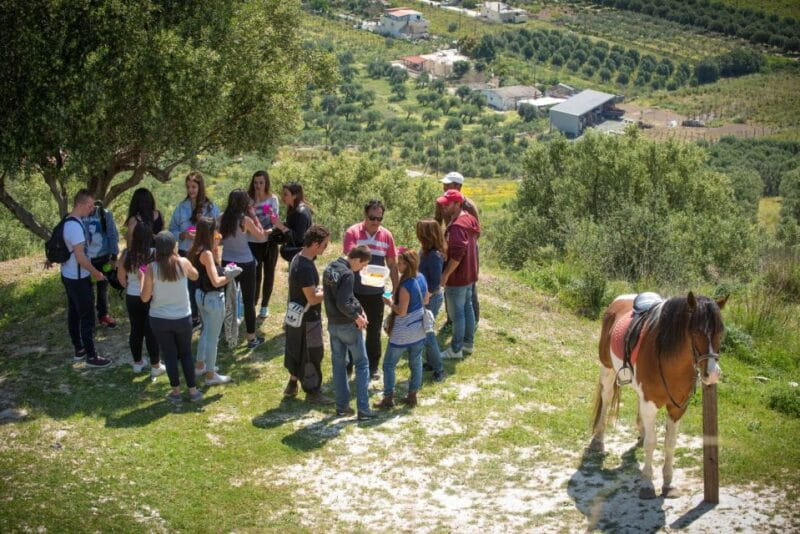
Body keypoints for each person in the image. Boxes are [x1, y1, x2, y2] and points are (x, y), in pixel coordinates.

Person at [141, 231, 202, 403]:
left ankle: (176, 392)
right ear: (174, 246)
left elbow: (144, 298)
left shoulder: (152, 268)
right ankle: (193, 391)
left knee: (169, 355)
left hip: (159, 319)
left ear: (156, 249)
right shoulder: (183, 262)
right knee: (186, 353)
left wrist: (142, 281)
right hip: (182, 317)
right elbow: (195, 275)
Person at [343, 200, 399, 380]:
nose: (375, 222)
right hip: (354, 290)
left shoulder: (386, 236)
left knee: (374, 331)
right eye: (372, 217)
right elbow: (350, 258)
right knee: (352, 330)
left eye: (379, 218)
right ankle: (349, 365)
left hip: (376, 291)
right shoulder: (353, 232)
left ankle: (373, 367)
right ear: (365, 215)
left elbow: (392, 264)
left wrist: (396, 289)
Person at [58, 189, 112, 368]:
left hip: (68, 274)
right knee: (87, 316)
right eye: (90, 206)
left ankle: (79, 349)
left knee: (74, 312)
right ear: (81, 204)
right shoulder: (75, 227)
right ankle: (91, 356)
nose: (92, 209)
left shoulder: (67, 220)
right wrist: (96, 273)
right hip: (79, 278)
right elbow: (81, 258)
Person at [323, 245, 375, 420]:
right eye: (363, 265)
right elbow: (343, 302)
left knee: (339, 366)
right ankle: (364, 410)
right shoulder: (348, 274)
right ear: (357, 259)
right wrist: (357, 317)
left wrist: (360, 309)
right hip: (347, 325)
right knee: (362, 364)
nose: (361, 269)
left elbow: (346, 296)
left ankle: (342, 407)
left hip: (333, 325)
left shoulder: (330, 267)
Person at [283, 224, 333, 405]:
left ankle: (292, 383)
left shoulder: (298, 257)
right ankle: (313, 391)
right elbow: (312, 298)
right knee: (312, 353)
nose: (326, 248)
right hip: (308, 319)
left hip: (295, 316)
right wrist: (329, 290)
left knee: (295, 349)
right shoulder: (304, 267)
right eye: (324, 244)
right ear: (315, 244)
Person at [374, 249, 427, 409]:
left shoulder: (405, 286)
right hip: (419, 329)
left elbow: (402, 311)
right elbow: (425, 299)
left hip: (403, 331)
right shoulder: (421, 277)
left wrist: (389, 302)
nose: (398, 266)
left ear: (409, 264)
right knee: (416, 362)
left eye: (402, 263)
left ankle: (388, 398)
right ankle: (412, 396)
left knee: (389, 364)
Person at [219, 189, 270, 349]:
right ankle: (251, 338)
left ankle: (228, 335)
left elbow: (218, 239)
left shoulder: (221, 218)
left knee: (228, 300)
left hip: (227, 261)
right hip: (246, 263)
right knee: (248, 302)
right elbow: (261, 236)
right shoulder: (245, 220)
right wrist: (255, 217)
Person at [168, 172, 219, 328]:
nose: (191, 190)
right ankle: (193, 317)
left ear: (200, 187)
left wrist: (204, 236)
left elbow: (217, 229)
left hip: (204, 254)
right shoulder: (181, 207)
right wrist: (183, 234)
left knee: (204, 285)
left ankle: (207, 317)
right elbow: (171, 230)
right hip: (186, 253)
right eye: (188, 187)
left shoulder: (210, 207)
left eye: (194, 187)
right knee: (189, 286)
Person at [188, 217, 234, 385]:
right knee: (213, 339)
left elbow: (214, 269)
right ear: (210, 232)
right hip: (212, 298)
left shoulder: (195, 249)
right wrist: (231, 276)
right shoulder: (206, 253)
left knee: (205, 332)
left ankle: (200, 365)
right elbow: (216, 281)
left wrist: (216, 252)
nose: (217, 232)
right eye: (215, 229)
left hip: (200, 295)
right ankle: (210, 375)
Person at [117, 222, 165, 377]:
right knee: (151, 331)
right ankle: (155, 365)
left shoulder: (127, 254)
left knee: (135, 330)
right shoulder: (155, 253)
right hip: (150, 295)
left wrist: (130, 286)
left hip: (132, 296)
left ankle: (137, 363)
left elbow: (120, 277)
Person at [438, 190, 480, 360]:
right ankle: (468, 344)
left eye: (447, 204)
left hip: (457, 277)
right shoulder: (469, 219)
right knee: (467, 308)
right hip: (470, 273)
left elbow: (457, 255)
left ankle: (455, 349)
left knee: (457, 314)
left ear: (457, 204)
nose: (443, 206)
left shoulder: (457, 226)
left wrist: (445, 274)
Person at [247, 170, 280, 319]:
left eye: (261, 182)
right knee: (255, 275)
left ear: (266, 183)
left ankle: (265, 306)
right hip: (252, 242)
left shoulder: (273, 199)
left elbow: (275, 220)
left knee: (269, 273)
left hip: (269, 242)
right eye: (255, 183)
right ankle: (252, 304)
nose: (258, 186)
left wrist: (269, 231)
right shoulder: (248, 199)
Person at [416, 219, 446, 382]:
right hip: (424, 297)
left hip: (431, 298)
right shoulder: (424, 251)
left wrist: (424, 298)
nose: (418, 235)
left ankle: (439, 369)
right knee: (425, 331)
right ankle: (430, 363)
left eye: (420, 232)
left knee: (427, 333)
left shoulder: (434, 256)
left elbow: (435, 283)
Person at [82, 200, 120, 328]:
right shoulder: (80, 214)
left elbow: (112, 235)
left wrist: (114, 256)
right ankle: (89, 318)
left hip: (104, 259)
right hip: (87, 260)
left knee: (102, 288)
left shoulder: (105, 214)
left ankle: (103, 315)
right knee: (87, 289)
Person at [271, 182, 312, 263]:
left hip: (302, 257)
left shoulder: (301, 213)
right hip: (297, 254)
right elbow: (292, 227)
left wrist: (281, 226)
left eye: (285, 194)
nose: (282, 197)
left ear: (294, 196)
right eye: (282, 194)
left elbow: (299, 238)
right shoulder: (293, 209)